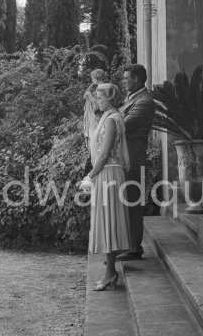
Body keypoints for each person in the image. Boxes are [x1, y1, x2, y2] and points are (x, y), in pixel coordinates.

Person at [80, 83, 131, 291]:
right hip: (107, 172)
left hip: (108, 172)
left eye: (99, 98)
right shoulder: (109, 117)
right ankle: (110, 271)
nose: (97, 101)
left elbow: (104, 154)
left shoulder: (111, 119)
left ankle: (110, 273)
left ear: (109, 98)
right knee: (107, 222)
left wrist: (89, 176)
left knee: (109, 223)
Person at [116, 64, 156, 261]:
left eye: (126, 78)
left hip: (133, 158)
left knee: (132, 203)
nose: (123, 82)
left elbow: (123, 124)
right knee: (125, 201)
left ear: (137, 80)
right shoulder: (132, 98)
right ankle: (127, 245)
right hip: (124, 157)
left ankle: (134, 248)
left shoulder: (144, 101)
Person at [83, 69, 106, 149]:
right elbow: (84, 96)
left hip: (97, 120)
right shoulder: (97, 87)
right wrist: (91, 86)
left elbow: (97, 107)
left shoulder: (102, 89)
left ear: (97, 78)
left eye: (92, 78)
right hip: (94, 120)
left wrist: (90, 96)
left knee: (96, 145)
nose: (92, 80)